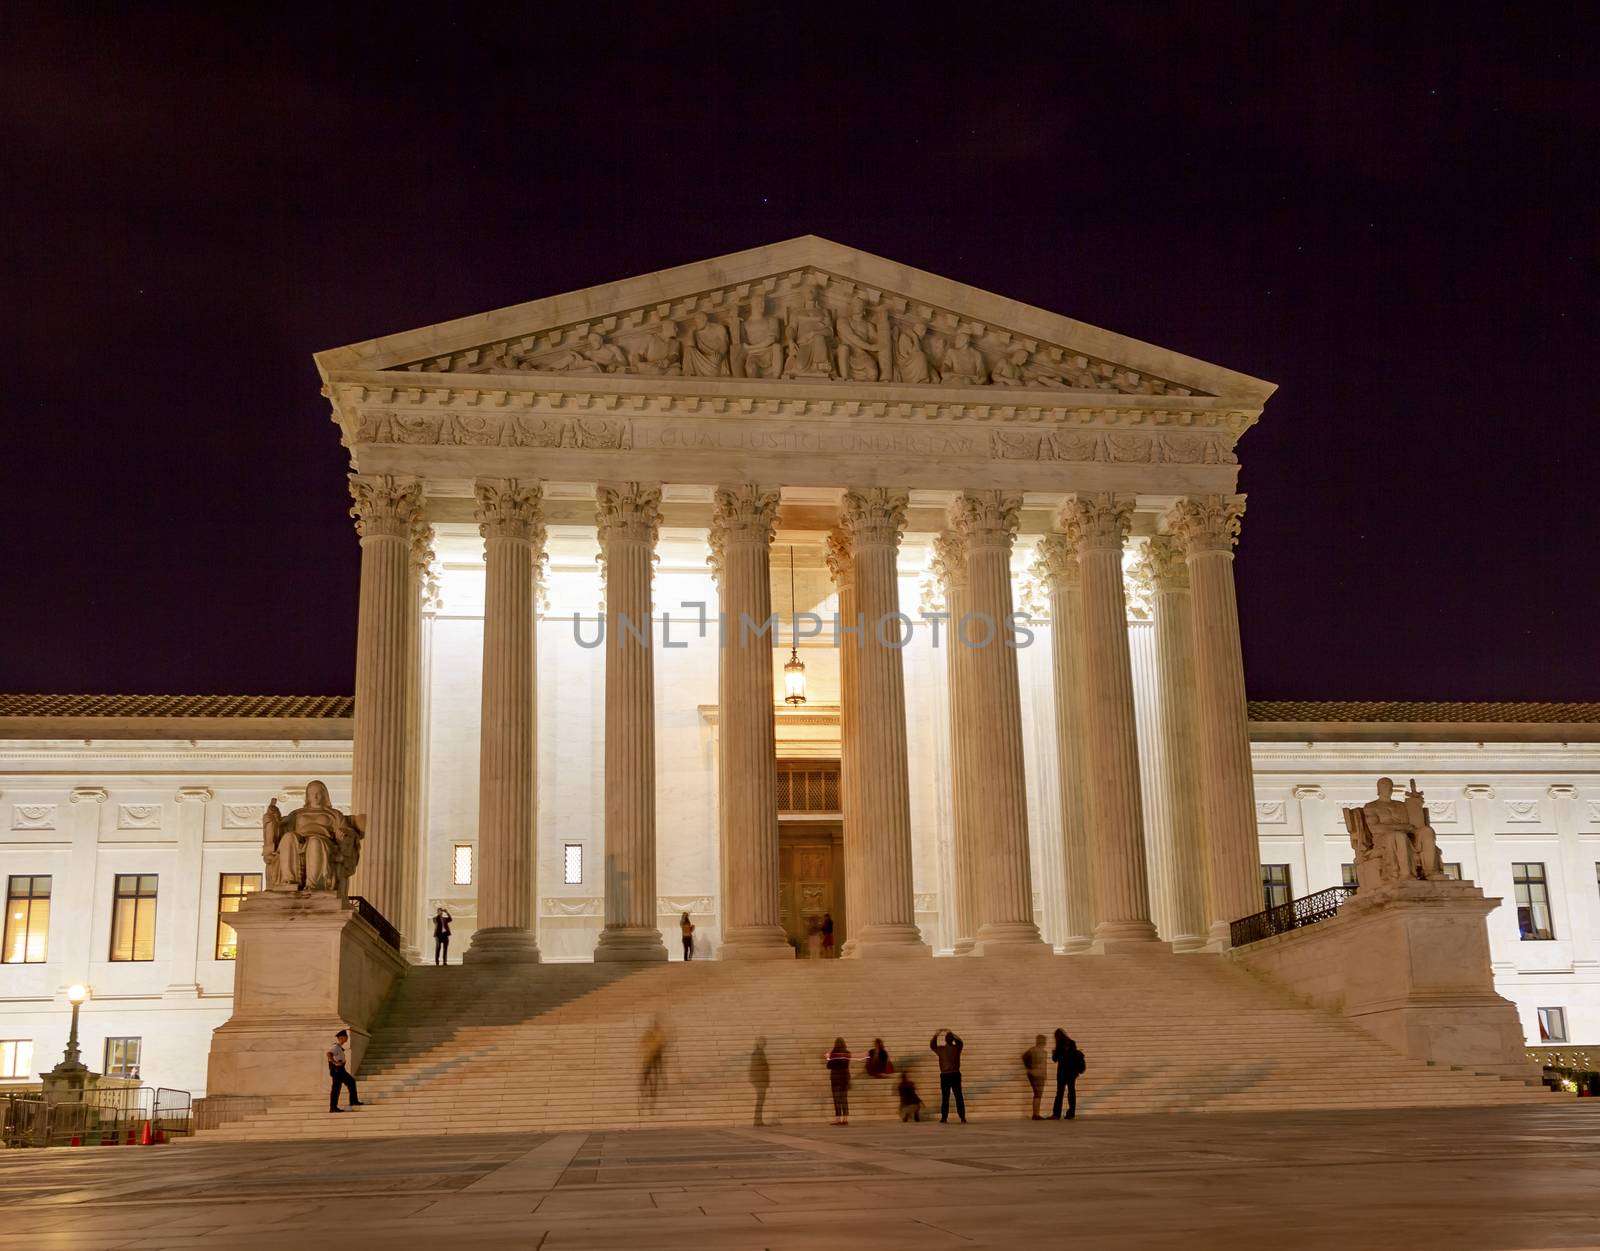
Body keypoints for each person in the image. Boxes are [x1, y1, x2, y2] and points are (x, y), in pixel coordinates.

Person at [930, 1029, 966, 1123]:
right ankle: (946, 1117)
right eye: (948, 1037)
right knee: (948, 1097)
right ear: (947, 1039)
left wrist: (938, 1035)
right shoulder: (951, 1048)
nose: (949, 1039)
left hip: (952, 1074)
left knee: (956, 1096)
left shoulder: (955, 1048)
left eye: (950, 1037)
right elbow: (932, 1046)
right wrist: (936, 1035)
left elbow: (961, 1042)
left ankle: (959, 1117)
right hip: (949, 1075)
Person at [1051, 1029, 1085, 1120]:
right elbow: (1073, 1057)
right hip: (1071, 1073)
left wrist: (1054, 1053)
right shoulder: (1072, 1043)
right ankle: (1071, 1113)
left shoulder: (1059, 1045)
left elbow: (1055, 1059)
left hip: (1062, 1073)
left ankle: (1056, 1114)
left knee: (1059, 1094)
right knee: (1071, 1093)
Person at [327, 1029, 362, 1113]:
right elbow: (329, 1054)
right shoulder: (335, 1046)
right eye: (346, 1037)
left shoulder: (339, 1047)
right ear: (341, 1037)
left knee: (350, 1082)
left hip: (340, 1070)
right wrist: (334, 1063)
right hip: (337, 1070)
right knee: (337, 1088)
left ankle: (353, 1101)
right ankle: (333, 1107)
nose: (347, 1038)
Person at [823, 1037, 854, 1124]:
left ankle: (838, 1119)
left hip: (836, 1079)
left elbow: (829, 1066)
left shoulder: (833, 1054)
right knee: (844, 1099)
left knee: (837, 1099)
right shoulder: (847, 1053)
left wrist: (827, 1058)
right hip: (845, 1078)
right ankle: (845, 1119)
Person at [1023, 1034, 1050, 1120]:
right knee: (1038, 1095)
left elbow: (1024, 1057)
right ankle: (1036, 1114)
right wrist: (1031, 1067)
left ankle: (1036, 1114)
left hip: (1035, 1074)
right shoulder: (1039, 1051)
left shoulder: (1033, 1050)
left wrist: (1029, 1067)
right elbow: (1025, 1057)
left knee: (1037, 1095)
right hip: (1038, 1075)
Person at [749, 1037, 770, 1126]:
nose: (765, 1044)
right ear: (759, 1043)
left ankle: (758, 1120)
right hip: (760, 1080)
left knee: (760, 1101)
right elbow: (757, 1068)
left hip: (759, 1080)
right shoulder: (758, 1053)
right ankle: (757, 1120)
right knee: (760, 1101)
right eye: (763, 1042)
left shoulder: (758, 1052)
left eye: (765, 1042)